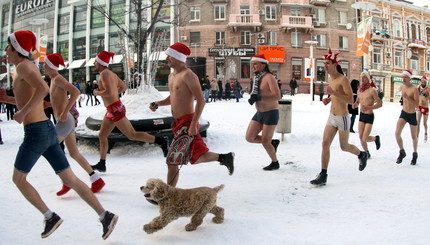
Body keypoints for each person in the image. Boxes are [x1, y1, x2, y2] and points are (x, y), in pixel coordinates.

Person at [0, 30, 117, 239]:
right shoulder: (21, 67)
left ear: (16, 48)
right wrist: (8, 101)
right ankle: (105, 215)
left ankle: (49, 216)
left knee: (18, 179)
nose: (5, 50)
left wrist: (22, 113)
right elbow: (34, 98)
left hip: (36, 133)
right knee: (70, 178)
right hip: (44, 130)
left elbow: (42, 89)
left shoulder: (25, 66)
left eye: (8, 46)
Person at [149, 42, 234, 187]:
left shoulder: (189, 75)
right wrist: (158, 103)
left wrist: (194, 124)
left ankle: (168, 195)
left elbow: (201, 101)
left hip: (187, 122)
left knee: (172, 161)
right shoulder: (172, 76)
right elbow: (174, 97)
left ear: (177, 57)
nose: (167, 58)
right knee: (197, 156)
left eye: (169, 55)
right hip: (177, 123)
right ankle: (225, 157)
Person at [90, 51, 169, 172]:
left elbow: (109, 92)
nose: (94, 63)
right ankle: (102, 163)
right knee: (102, 135)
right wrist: (112, 95)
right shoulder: (110, 73)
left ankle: (161, 140)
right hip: (112, 109)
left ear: (100, 62)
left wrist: (96, 92)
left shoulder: (105, 74)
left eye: (95, 61)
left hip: (115, 109)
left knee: (132, 135)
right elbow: (123, 87)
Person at [43, 53, 106, 196]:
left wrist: (65, 112)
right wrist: (48, 104)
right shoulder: (53, 79)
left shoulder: (58, 78)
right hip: (66, 120)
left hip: (65, 120)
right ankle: (96, 179)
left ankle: (67, 181)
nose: (43, 66)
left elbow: (76, 92)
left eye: (45, 64)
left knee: (50, 148)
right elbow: (59, 98)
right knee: (74, 153)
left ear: (50, 66)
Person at [310, 49, 368, 186]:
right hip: (332, 116)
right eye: (324, 63)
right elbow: (336, 94)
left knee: (344, 146)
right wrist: (329, 99)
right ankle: (323, 174)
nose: (325, 66)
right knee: (325, 143)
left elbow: (349, 100)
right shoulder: (330, 79)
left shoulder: (344, 80)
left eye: (328, 63)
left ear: (335, 65)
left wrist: (333, 93)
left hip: (342, 117)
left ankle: (361, 154)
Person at [245, 54, 281, 170]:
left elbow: (277, 95)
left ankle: (275, 162)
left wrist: (259, 96)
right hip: (260, 112)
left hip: (271, 112)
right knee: (250, 137)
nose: (253, 66)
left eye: (255, 64)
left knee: (265, 141)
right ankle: (272, 143)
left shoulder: (269, 77)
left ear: (263, 64)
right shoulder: (258, 77)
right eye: (252, 64)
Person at [352, 71, 382, 159]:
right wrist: (355, 105)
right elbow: (357, 101)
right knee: (361, 137)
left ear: (368, 79)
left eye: (364, 77)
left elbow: (380, 104)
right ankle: (367, 152)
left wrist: (369, 107)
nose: (362, 79)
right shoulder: (359, 90)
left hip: (369, 116)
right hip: (362, 115)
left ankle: (375, 139)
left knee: (364, 138)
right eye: (361, 77)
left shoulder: (372, 90)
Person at [395, 70, 420, 165]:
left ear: (409, 78)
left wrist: (408, 98)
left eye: (405, 77)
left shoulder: (414, 89)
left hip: (412, 114)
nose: (403, 79)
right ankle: (402, 151)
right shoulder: (402, 87)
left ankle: (415, 154)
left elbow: (417, 104)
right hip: (404, 113)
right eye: (403, 77)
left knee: (414, 137)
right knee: (397, 133)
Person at [416, 76, 429, 143]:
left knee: (424, 123)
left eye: (424, 82)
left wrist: (426, 96)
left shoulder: (428, 89)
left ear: (426, 82)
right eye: (422, 81)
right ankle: (417, 137)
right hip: (419, 106)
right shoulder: (418, 88)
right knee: (418, 122)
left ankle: (426, 133)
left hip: (425, 107)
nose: (423, 83)